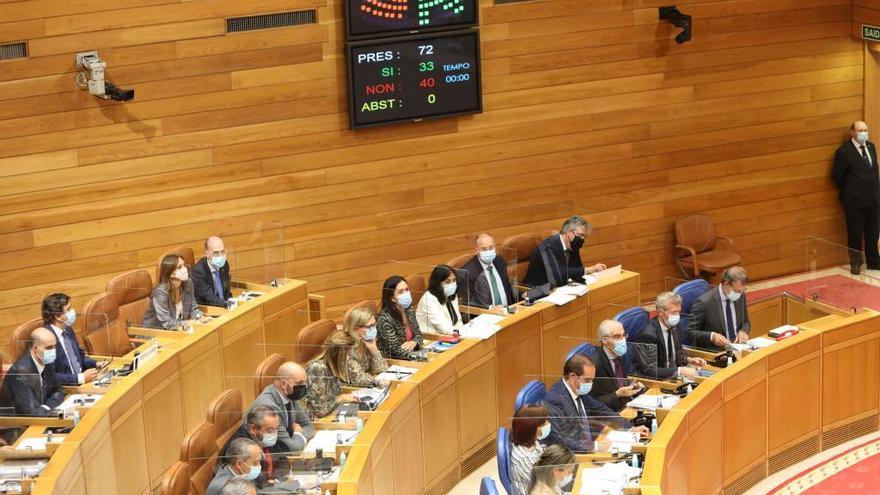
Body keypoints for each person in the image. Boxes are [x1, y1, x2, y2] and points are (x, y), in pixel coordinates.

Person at [543, 354, 647, 453]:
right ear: (573, 377)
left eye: (592, 380)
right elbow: (560, 440)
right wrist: (595, 447)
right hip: (573, 456)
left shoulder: (577, 390)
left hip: (587, 446)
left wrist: (630, 429)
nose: (590, 384)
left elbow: (602, 411)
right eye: (587, 380)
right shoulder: (555, 400)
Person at [832, 121, 880, 274]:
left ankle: (873, 261)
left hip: (873, 198)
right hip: (854, 201)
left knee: (873, 232)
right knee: (855, 233)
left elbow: (874, 171)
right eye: (860, 130)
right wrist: (852, 189)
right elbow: (837, 176)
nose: (863, 133)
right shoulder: (844, 152)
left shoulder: (871, 147)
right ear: (853, 132)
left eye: (865, 130)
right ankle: (856, 263)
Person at [631, 292, 705, 380]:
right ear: (660, 312)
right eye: (674, 312)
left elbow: (676, 351)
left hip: (674, 376)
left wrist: (688, 360)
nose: (677, 316)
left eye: (679, 311)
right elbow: (649, 371)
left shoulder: (674, 326)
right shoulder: (648, 335)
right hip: (659, 381)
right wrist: (680, 370)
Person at [523, 216, 606, 288]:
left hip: (557, 290)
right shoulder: (548, 247)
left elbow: (578, 270)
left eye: (584, 237)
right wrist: (590, 269)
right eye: (581, 235)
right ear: (569, 232)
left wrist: (594, 276)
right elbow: (557, 274)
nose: (583, 239)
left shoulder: (572, 246)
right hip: (535, 292)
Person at [251, 362, 315, 455]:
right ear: (283, 384)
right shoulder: (270, 408)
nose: (304, 387)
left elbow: (309, 426)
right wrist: (298, 434)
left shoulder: (290, 396)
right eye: (299, 383)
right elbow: (291, 449)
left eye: (305, 382)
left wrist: (297, 439)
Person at [0, 327, 66, 416]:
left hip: (42, 416)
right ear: (35, 348)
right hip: (18, 426)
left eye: (55, 347)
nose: (53, 351)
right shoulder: (21, 372)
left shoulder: (46, 361)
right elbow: (32, 414)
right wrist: (49, 407)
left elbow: (59, 390)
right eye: (49, 347)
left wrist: (47, 406)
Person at [220, 405, 290, 486]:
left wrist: (278, 480)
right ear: (253, 429)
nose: (274, 434)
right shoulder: (243, 446)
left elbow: (283, 458)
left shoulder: (264, 438)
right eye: (270, 430)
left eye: (277, 428)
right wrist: (270, 484)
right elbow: (251, 480)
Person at [686, 266, 751, 350]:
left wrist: (743, 331)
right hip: (716, 352)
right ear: (726, 284)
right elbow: (690, 333)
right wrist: (712, 336)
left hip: (738, 348)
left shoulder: (740, 295)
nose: (740, 293)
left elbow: (745, 321)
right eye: (737, 291)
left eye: (743, 290)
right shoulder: (704, 302)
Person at [41, 293, 98, 385]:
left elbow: (79, 358)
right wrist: (80, 378)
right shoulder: (46, 338)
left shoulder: (68, 330)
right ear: (58, 316)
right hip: (66, 389)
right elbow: (49, 376)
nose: (73, 311)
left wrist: (96, 364)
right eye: (68, 309)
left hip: (83, 382)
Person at [141, 254, 210, 329]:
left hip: (178, 330)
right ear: (171, 273)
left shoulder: (188, 283)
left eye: (184, 265)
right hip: (155, 335)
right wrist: (189, 323)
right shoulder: (160, 293)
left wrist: (199, 317)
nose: (185, 269)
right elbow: (167, 323)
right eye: (180, 267)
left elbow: (193, 309)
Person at [589, 320, 645, 412]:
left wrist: (632, 385)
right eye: (617, 337)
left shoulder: (620, 355)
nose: (623, 340)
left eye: (623, 335)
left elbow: (619, 382)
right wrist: (617, 394)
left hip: (625, 406)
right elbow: (590, 404)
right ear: (604, 340)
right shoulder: (595, 365)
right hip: (608, 414)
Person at [304, 330, 361, 418]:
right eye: (348, 353)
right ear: (341, 352)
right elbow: (320, 411)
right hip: (315, 421)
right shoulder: (318, 368)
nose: (349, 357)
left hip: (331, 414)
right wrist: (341, 398)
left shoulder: (331, 366)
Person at [458, 233, 515, 310]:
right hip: (486, 316)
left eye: (491, 247)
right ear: (477, 250)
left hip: (509, 311)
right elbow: (466, 303)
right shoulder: (467, 273)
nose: (488, 251)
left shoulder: (499, 261)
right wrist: (490, 308)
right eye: (484, 249)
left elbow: (507, 287)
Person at [376, 276, 425, 361]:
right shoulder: (385, 319)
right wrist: (420, 356)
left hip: (413, 355)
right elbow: (395, 351)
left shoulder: (409, 309)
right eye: (401, 292)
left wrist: (414, 342)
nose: (406, 294)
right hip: (395, 361)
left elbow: (419, 335)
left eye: (407, 289)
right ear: (392, 298)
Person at [339, 306, 389, 387]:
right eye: (370, 326)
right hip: (348, 391)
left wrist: (374, 350)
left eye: (374, 324)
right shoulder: (346, 350)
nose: (374, 329)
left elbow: (382, 370)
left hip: (366, 386)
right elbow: (359, 379)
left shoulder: (367, 341)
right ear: (355, 329)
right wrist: (379, 382)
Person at [511, 405, 551, 495]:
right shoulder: (525, 458)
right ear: (533, 429)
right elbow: (542, 486)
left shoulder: (531, 441)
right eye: (544, 423)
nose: (549, 424)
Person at [416, 264, 464, 335]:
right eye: (447, 282)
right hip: (432, 337)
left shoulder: (451, 294)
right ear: (437, 283)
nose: (452, 284)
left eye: (454, 280)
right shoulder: (429, 299)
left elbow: (458, 320)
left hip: (452, 334)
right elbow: (443, 328)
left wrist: (464, 331)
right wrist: (463, 333)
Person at [192, 236, 233, 306]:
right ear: (207, 254)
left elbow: (226, 291)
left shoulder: (224, 264)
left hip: (223, 305)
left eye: (223, 251)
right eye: (216, 253)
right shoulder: (198, 271)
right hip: (208, 308)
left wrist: (232, 301)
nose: (221, 256)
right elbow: (209, 298)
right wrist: (228, 305)